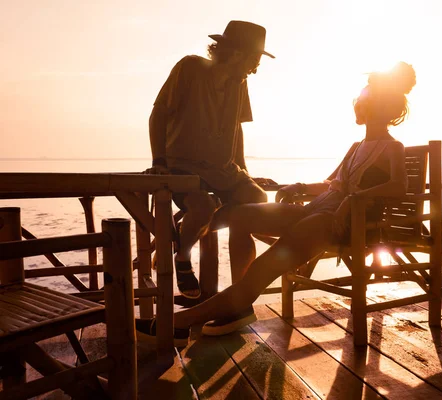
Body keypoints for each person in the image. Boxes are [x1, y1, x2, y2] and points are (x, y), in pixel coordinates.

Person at [136, 61, 418, 346]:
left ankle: (182, 322)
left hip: (339, 222)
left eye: (364, 99)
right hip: (318, 209)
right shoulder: (356, 147)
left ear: (379, 107)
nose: (358, 104)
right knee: (242, 215)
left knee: (263, 268)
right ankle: (188, 237)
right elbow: (332, 184)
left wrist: (355, 198)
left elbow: (399, 186)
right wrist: (299, 186)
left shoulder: (393, 147)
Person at [145, 21, 274, 301]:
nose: (256, 66)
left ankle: (184, 235)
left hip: (224, 170)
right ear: (237, 53)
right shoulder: (190, 68)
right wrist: (159, 161)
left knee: (256, 199)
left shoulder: (241, 84)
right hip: (182, 165)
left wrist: (245, 172)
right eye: (255, 58)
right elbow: (158, 114)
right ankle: (182, 254)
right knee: (203, 206)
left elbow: (237, 129)